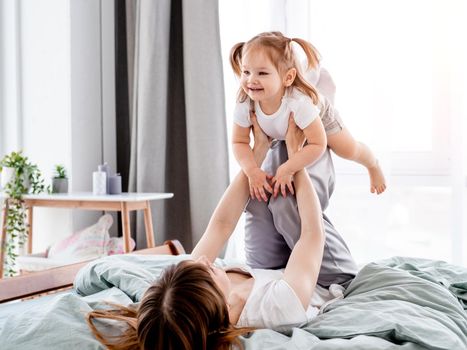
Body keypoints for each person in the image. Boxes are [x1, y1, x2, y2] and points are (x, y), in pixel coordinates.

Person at [87, 118, 338, 350]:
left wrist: (257, 150)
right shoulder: (278, 308)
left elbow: (221, 224)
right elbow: (312, 235)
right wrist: (297, 161)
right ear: (223, 307)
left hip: (272, 268)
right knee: (287, 182)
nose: (204, 261)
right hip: (322, 275)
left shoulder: (187, 286)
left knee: (262, 187)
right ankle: (327, 114)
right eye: (207, 271)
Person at [230, 31, 386, 198]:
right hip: (285, 120)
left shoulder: (299, 104)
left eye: (262, 73)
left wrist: (288, 168)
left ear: (288, 77)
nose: (250, 80)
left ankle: (373, 163)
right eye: (246, 72)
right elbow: (239, 141)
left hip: (319, 116)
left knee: (348, 150)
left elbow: (318, 144)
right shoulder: (245, 101)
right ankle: (312, 74)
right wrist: (251, 170)